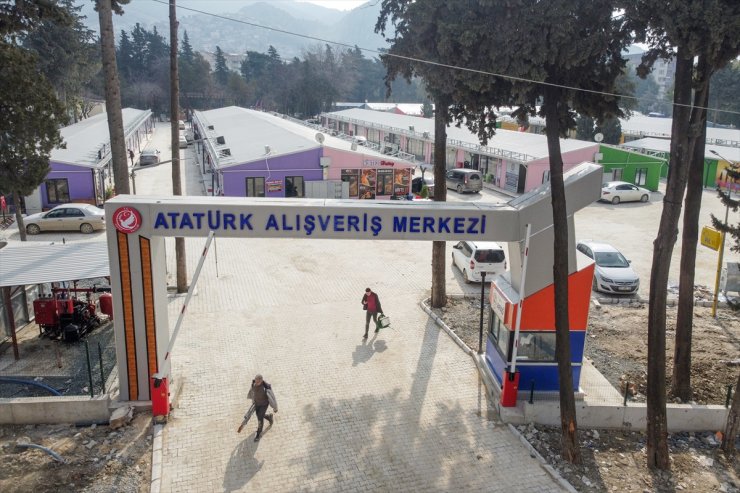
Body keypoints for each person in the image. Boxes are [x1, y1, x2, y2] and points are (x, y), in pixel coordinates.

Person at [238, 374, 278, 441]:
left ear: (261, 381)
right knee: (258, 415)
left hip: (264, 405)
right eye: (255, 381)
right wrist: (253, 400)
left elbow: (272, 398)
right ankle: (269, 417)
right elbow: (252, 392)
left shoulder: (266, 389)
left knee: (260, 419)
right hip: (257, 403)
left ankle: (259, 434)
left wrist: (275, 408)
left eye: (257, 382)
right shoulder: (254, 384)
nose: (256, 383)